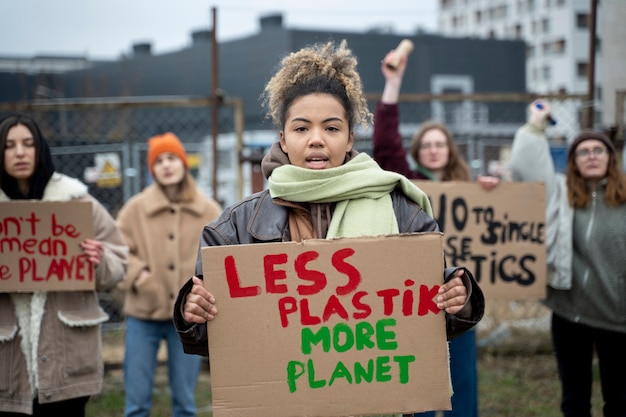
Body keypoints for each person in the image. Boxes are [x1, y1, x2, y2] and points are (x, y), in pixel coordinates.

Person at [171, 40, 485, 415]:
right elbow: (220, 343)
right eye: (302, 128)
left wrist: (456, 298)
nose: (316, 139)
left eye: (331, 128)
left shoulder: (403, 213)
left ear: (350, 137)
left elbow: (426, 326)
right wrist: (194, 313)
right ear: (283, 139)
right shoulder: (234, 229)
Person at [373, 49, 498, 417]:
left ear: (450, 150)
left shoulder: (470, 188)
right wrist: (393, 83)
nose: (432, 150)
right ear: (416, 153)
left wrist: (493, 188)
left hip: (460, 295)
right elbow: (384, 142)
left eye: (439, 144)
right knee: (422, 379)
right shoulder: (406, 184)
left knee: (462, 378)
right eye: (425, 145)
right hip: (418, 296)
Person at [0, 113, 129, 416]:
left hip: (67, 362)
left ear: (40, 149)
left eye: (28, 143)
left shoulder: (76, 201)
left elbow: (121, 262)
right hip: (8, 366)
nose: (20, 152)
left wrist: (99, 261)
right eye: (9, 145)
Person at [509, 100, 626, 417]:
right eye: (583, 151)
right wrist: (536, 124)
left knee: (619, 400)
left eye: (598, 151)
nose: (591, 156)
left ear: (610, 159)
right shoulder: (559, 192)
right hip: (570, 312)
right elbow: (526, 167)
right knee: (575, 401)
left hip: (618, 316)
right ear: (573, 161)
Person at [115, 132, 222, 417]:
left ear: (184, 163)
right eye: (158, 160)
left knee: (185, 402)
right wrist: (139, 276)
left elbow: (222, 254)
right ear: (152, 169)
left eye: (172, 158)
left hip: (187, 320)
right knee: (136, 402)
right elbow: (117, 250)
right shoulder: (135, 209)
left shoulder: (208, 209)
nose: (166, 165)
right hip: (143, 314)